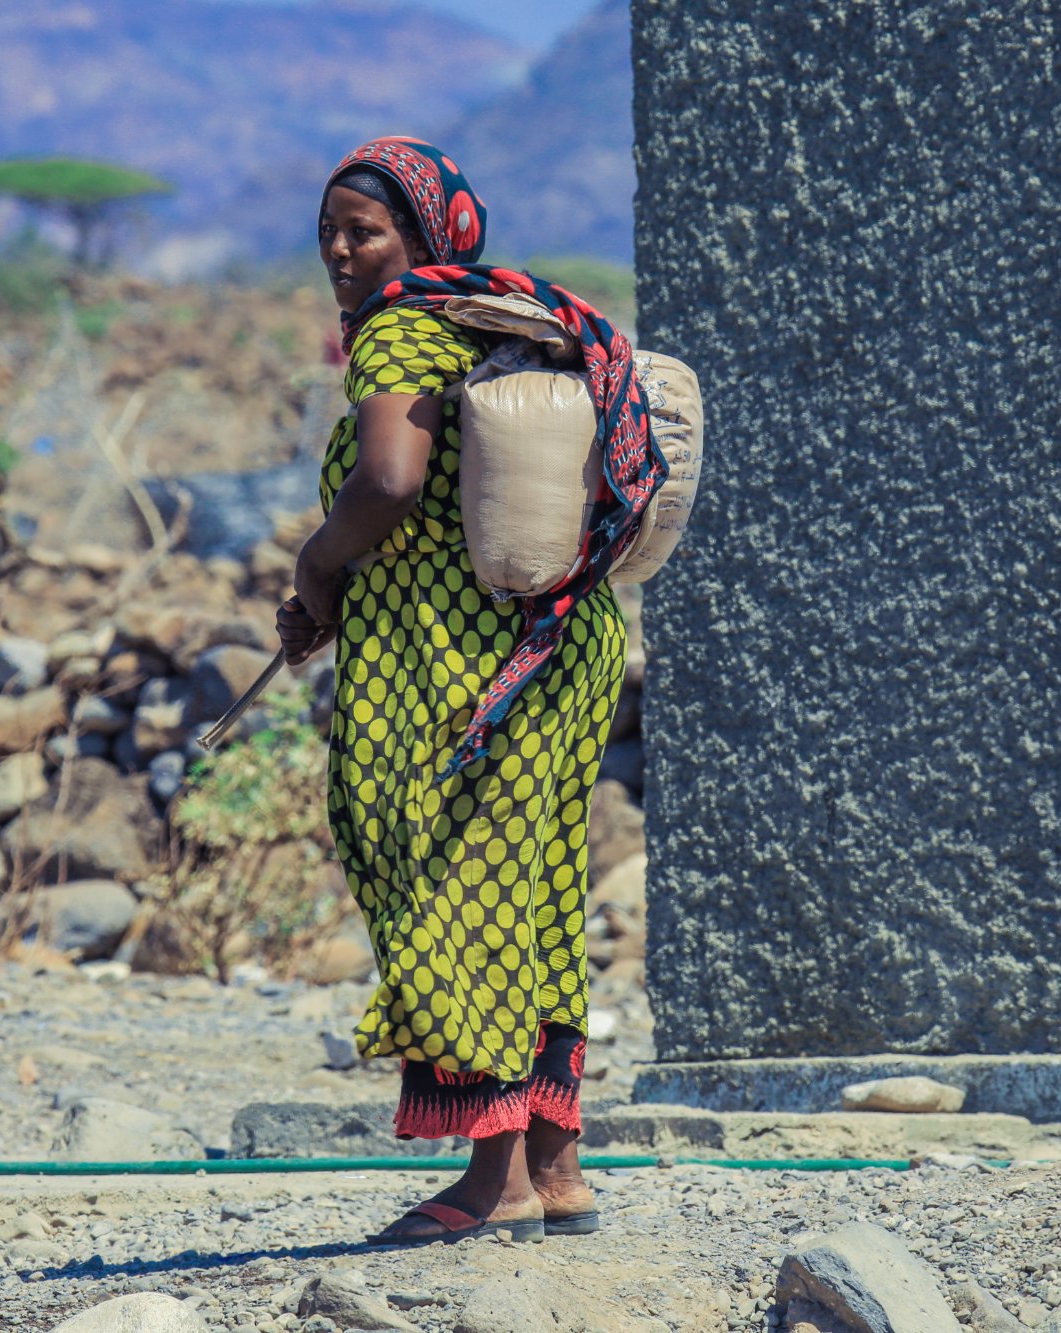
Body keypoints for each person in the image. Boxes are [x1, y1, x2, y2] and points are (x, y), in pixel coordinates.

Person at [282, 137, 663, 1245]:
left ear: (421, 235)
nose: (341, 252)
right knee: (531, 891)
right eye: (328, 235)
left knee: (449, 887)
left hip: (456, 666)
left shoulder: (401, 328)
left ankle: (490, 1177)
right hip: (555, 645)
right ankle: (557, 1170)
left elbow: (391, 481)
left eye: (363, 230)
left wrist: (314, 568)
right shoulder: (498, 320)